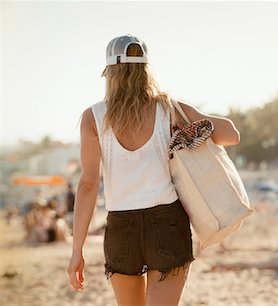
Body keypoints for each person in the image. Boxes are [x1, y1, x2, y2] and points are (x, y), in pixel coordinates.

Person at [66, 34, 240, 306]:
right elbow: (231, 134)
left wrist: (77, 250)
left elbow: (88, 184)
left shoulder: (93, 117)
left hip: (121, 228)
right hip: (167, 222)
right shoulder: (167, 108)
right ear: (145, 70)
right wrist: (190, 129)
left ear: (110, 73)